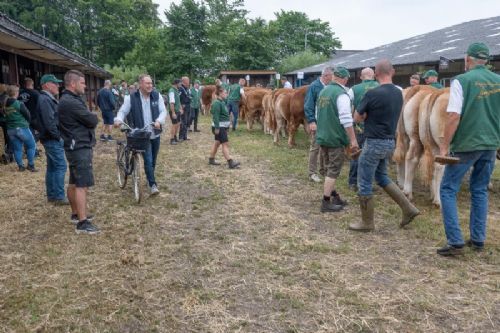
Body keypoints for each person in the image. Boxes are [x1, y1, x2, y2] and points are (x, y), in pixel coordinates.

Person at [436, 42, 500, 256]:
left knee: (447, 189)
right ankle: (478, 239)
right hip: (490, 144)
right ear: (486, 61)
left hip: (466, 144)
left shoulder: (461, 81)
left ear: (468, 59)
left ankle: (455, 241)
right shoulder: (498, 81)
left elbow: (454, 115)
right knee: (480, 190)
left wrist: (444, 146)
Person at [350, 59, 420, 232]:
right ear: (393, 72)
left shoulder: (372, 94)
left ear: (376, 73)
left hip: (373, 142)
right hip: (390, 142)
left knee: (364, 181)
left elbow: (356, 118)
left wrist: (366, 116)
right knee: (382, 177)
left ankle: (367, 223)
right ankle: (408, 208)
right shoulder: (399, 93)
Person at [58, 70, 99, 234]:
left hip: (74, 145)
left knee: (74, 182)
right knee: (82, 184)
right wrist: (92, 117)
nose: (85, 86)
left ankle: (76, 214)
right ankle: (82, 223)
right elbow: (92, 120)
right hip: (79, 146)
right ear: (73, 84)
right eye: (82, 83)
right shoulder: (70, 102)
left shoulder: (70, 99)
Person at [115, 74, 167, 195]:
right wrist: (118, 119)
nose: (150, 86)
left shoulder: (156, 95)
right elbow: (123, 111)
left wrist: (159, 120)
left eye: (151, 83)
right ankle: (152, 184)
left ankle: (150, 176)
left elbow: (163, 111)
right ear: (141, 84)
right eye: (147, 83)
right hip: (141, 134)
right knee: (148, 160)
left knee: (153, 160)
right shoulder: (131, 98)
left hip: (155, 133)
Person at [316, 67, 358, 212]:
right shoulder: (342, 94)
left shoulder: (323, 91)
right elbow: (346, 119)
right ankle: (326, 202)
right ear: (345, 79)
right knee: (333, 170)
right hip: (335, 138)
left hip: (322, 136)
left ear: (334, 77)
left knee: (328, 169)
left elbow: (318, 115)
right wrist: (353, 140)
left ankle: (335, 196)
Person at [36, 74, 68, 205]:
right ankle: (59, 197)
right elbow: (49, 123)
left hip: (49, 138)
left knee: (52, 167)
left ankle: (52, 195)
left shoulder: (46, 98)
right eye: (55, 83)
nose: (58, 86)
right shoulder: (45, 100)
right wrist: (59, 137)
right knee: (61, 166)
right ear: (47, 85)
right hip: (52, 138)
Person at [347, 67, 379, 191]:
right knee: (372, 156)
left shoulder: (353, 89)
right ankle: (368, 182)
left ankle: (352, 182)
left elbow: (349, 109)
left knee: (356, 153)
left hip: (359, 127)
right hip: (376, 129)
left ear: (361, 77)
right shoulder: (381, 87)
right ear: (374, 76)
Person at [303, 66, 333, 182]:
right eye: (332, 76)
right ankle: (312, 173)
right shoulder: (314, 86)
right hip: (317, 122)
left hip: (328, 122)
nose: (333, 78)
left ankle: (324, 170)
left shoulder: (330, 86)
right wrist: (311, 121)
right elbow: (308, 105)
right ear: (326, 76)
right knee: (315, 147)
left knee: (325, 147)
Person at [0, 85, 37, 172]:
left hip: (10, 130)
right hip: (21, 128)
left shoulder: (4, 105)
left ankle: (21, 166)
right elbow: (27, 114)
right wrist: (27, 123)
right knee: (31, 146)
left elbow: (3, 117)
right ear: (16, 93)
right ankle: (31, 165)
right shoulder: (18, 103)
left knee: (17, 149)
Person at [209, 85, 240, 169]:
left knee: (217, 143)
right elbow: (215, 116)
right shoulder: (216, 103)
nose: (227, 94)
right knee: (225, 144)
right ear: (220, 93)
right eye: (225, 93)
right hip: (220, 127)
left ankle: (211, 159)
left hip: (222, 127)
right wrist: (217, 128)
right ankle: (230, 162)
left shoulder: (222, 102)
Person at [18, 77, 41, 156]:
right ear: (32, 84)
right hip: (34, 117)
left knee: (29, 135)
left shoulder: (19, 93)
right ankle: (33, 150)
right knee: (44, 131)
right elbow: (40, 105)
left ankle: (31, 150)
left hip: (23, 118)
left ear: (24, 84)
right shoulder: (35, 93)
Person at [168, 79, 182, 145]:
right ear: (176, 83)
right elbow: (171, 103)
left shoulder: (176, 90)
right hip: (174, 111)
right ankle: (172, 139)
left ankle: (175, 137)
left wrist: (180, 109)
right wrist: (173, 112)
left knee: (178, 124)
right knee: (174, 125)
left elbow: (178, 101)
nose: (181, 84)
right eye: (180, 83)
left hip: (177, 110)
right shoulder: (172, 91)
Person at [178, 76, 192, 141]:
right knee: (183, 122)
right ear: (184, 81)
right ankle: (181, 137)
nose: (189, 82)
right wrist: (181, 106)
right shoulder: (181, 88)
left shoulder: (187, 88)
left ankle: (185, 136)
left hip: (188, 106)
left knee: (187, 122)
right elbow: (179, 98)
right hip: (184, 107)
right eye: (188, 80)